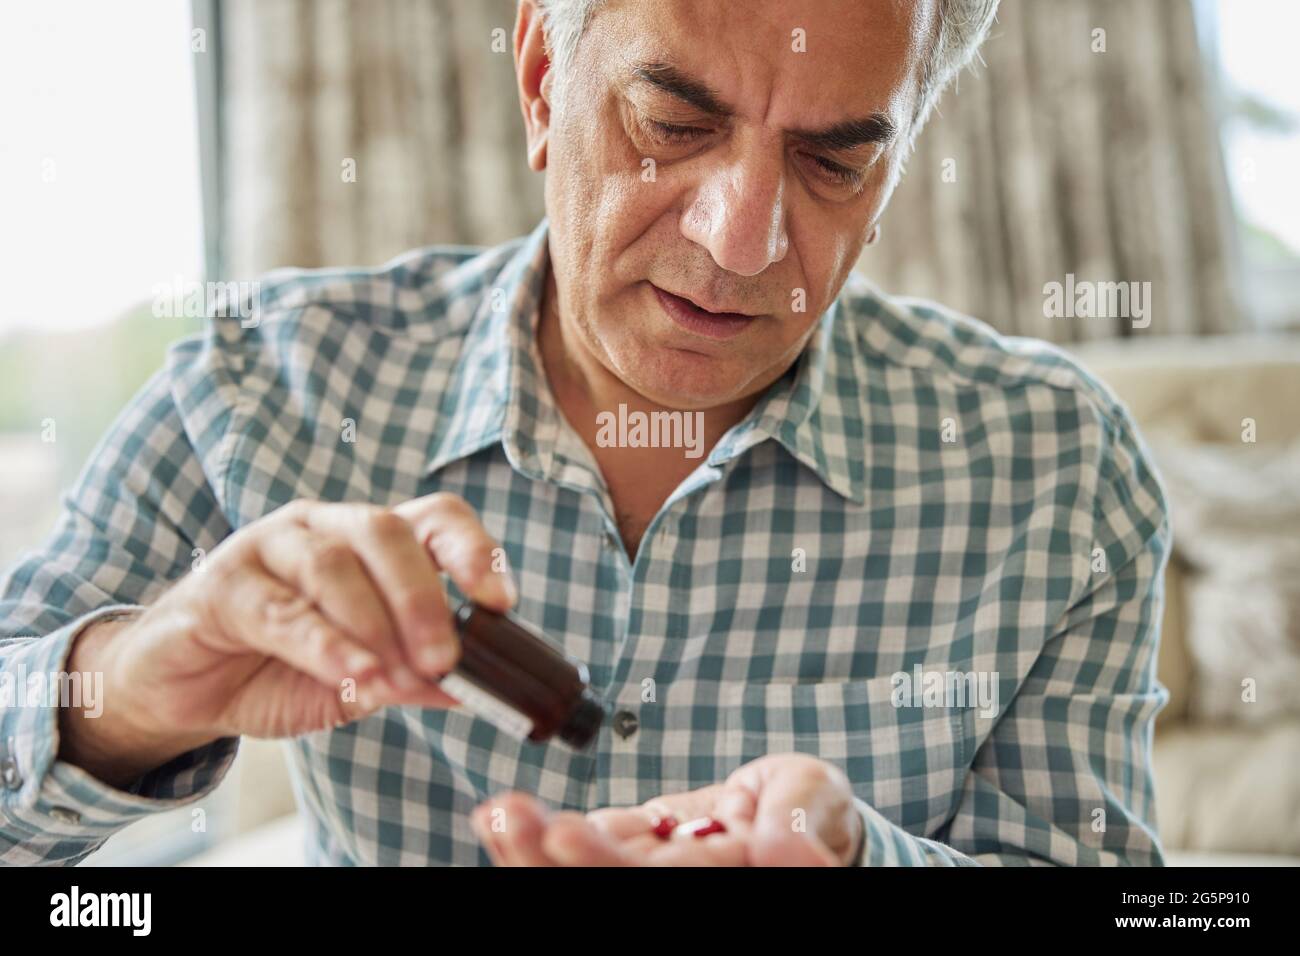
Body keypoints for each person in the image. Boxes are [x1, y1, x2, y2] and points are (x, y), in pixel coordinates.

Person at [0, 0, 1170, 866]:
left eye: (834, 161)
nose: (740, 239)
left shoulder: (1057, 468)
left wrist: (865, 860)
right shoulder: (270, 384)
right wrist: (135, 687)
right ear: (541, 76)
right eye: (672, 120)